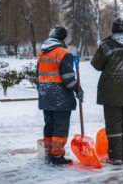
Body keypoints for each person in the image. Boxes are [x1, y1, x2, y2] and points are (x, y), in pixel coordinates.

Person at [91, 17, 123, 165]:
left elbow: (96, 64)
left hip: (112, 92)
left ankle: (115, 156)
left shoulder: (107, 45)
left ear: (113, 30)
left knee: (114, 124)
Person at [37, 25, 83, 166]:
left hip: (46, 95)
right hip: (60, 97)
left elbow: (37, 76)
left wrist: (43, 91)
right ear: (63, 38)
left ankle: (49, 153)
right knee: (60, 127)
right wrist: (78, 89)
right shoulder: (64, 53)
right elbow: (68, 78)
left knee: (49, 125)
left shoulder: (43, 53)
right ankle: (56, 156)